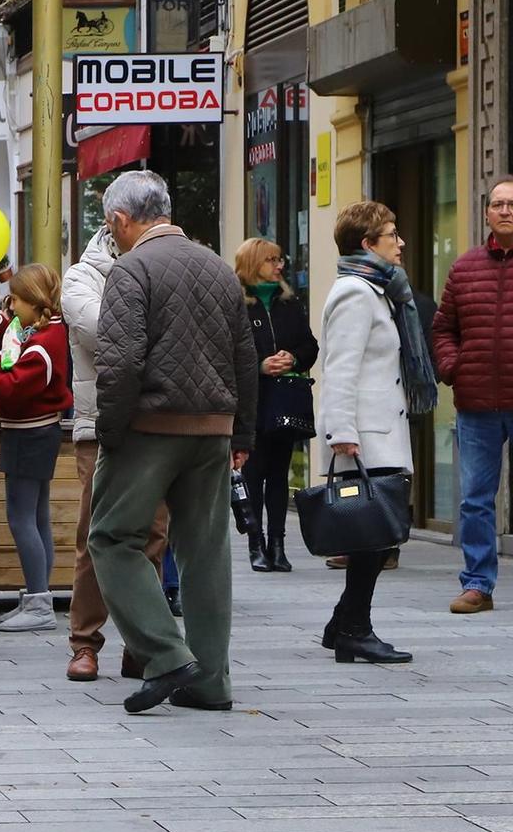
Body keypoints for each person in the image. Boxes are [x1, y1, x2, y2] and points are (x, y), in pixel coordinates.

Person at [88, 170, 256, 714]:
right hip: (214, 429)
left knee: (113, 539)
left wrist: (110, 432)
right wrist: (243, 432)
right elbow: (245, 360)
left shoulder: (130, 270)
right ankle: (210, 683)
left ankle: (166, 655)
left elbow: (119, 363)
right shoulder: (218, 267)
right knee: (206, 553)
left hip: (148, 429)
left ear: (119, 220)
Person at [318, 200, 433, 665]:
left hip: (380, 429)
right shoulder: (355, 293)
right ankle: (354, 629)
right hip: (365, 434)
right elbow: (340, 368)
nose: (401, 242)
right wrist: (343, 432)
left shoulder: (379, 290)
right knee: (373, 536)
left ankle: (342, 624)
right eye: (391, 234)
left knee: (378, 534)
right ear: (368, 244)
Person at [62, 225, 172, 683]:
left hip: (157, 421)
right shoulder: (81, 276)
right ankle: (85, 642)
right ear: (118, 225)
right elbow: (98, 331)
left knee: (154, 534)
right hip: (99, 426)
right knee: (97, 533)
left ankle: (141, 644)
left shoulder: (162, 267)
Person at [431, 175, 513, 615]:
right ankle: (478, 584)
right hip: (476, 402)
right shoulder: (465, 268)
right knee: (475, 499)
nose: (504, 211)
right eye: (498, 204)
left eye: (511, 204)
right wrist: (452, 367)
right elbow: (443, 327)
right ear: (487, 213)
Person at [0, 264, 73, 634]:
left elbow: (8, 386)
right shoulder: (45, 333)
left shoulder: (43, 346)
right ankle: (39, 596)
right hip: (38, 432)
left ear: (35, 302)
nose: (11, 306)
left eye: (16, 300)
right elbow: (13, 349)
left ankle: (38, 601)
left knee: (21, 516)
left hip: (30, 433)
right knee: (36, 517)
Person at [234, 237, 318, 574]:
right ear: (254, 263)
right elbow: (230, 352)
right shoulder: (239, 305)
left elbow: (309, 346)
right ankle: (256, 545)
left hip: (284, 400)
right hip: (253, 402)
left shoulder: (289, 303)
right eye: (271, 260)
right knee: (254, 473)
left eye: (280, 259)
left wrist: (292, 357)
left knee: (280, 476)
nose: (279, 266)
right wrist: (259, 365)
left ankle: (278, 545)